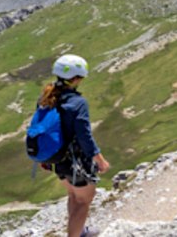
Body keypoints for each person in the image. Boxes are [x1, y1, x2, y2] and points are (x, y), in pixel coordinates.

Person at [38, 54, 110, 237]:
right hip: (76, 161)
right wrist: (99, 159)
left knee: (73, 196)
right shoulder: (77, 103)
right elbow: (84, 135)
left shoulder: (46, 97)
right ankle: (75, 234)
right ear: (77, 78)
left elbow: (41, 128)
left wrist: (44, 156)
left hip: (57, 160)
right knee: (84, 201)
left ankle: (79, 231)